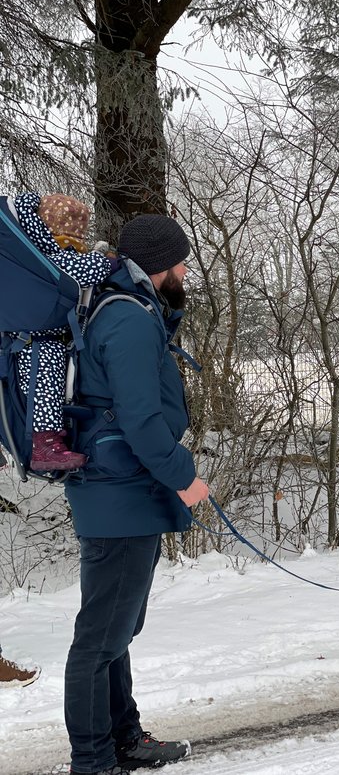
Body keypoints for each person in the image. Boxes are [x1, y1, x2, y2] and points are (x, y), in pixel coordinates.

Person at [63, 214, 210, 775]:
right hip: (120, 493)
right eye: (181, 262)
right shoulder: (127, 319)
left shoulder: (133, 308)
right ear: (160, 265)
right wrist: (184, 477)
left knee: (116, 631)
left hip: (124, 491)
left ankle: (123, 739)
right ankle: (93, 760)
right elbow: (142, 419)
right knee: (98, 640)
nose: (185, 271)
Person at [12, 192, 112, 472]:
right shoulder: (55, 260)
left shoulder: (34, 254)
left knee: (46, 392)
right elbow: (94, 267)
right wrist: (112, 261)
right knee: (45, 391)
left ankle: (50, 441)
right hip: (40, 345)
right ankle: (45, 447)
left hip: (32, 342)